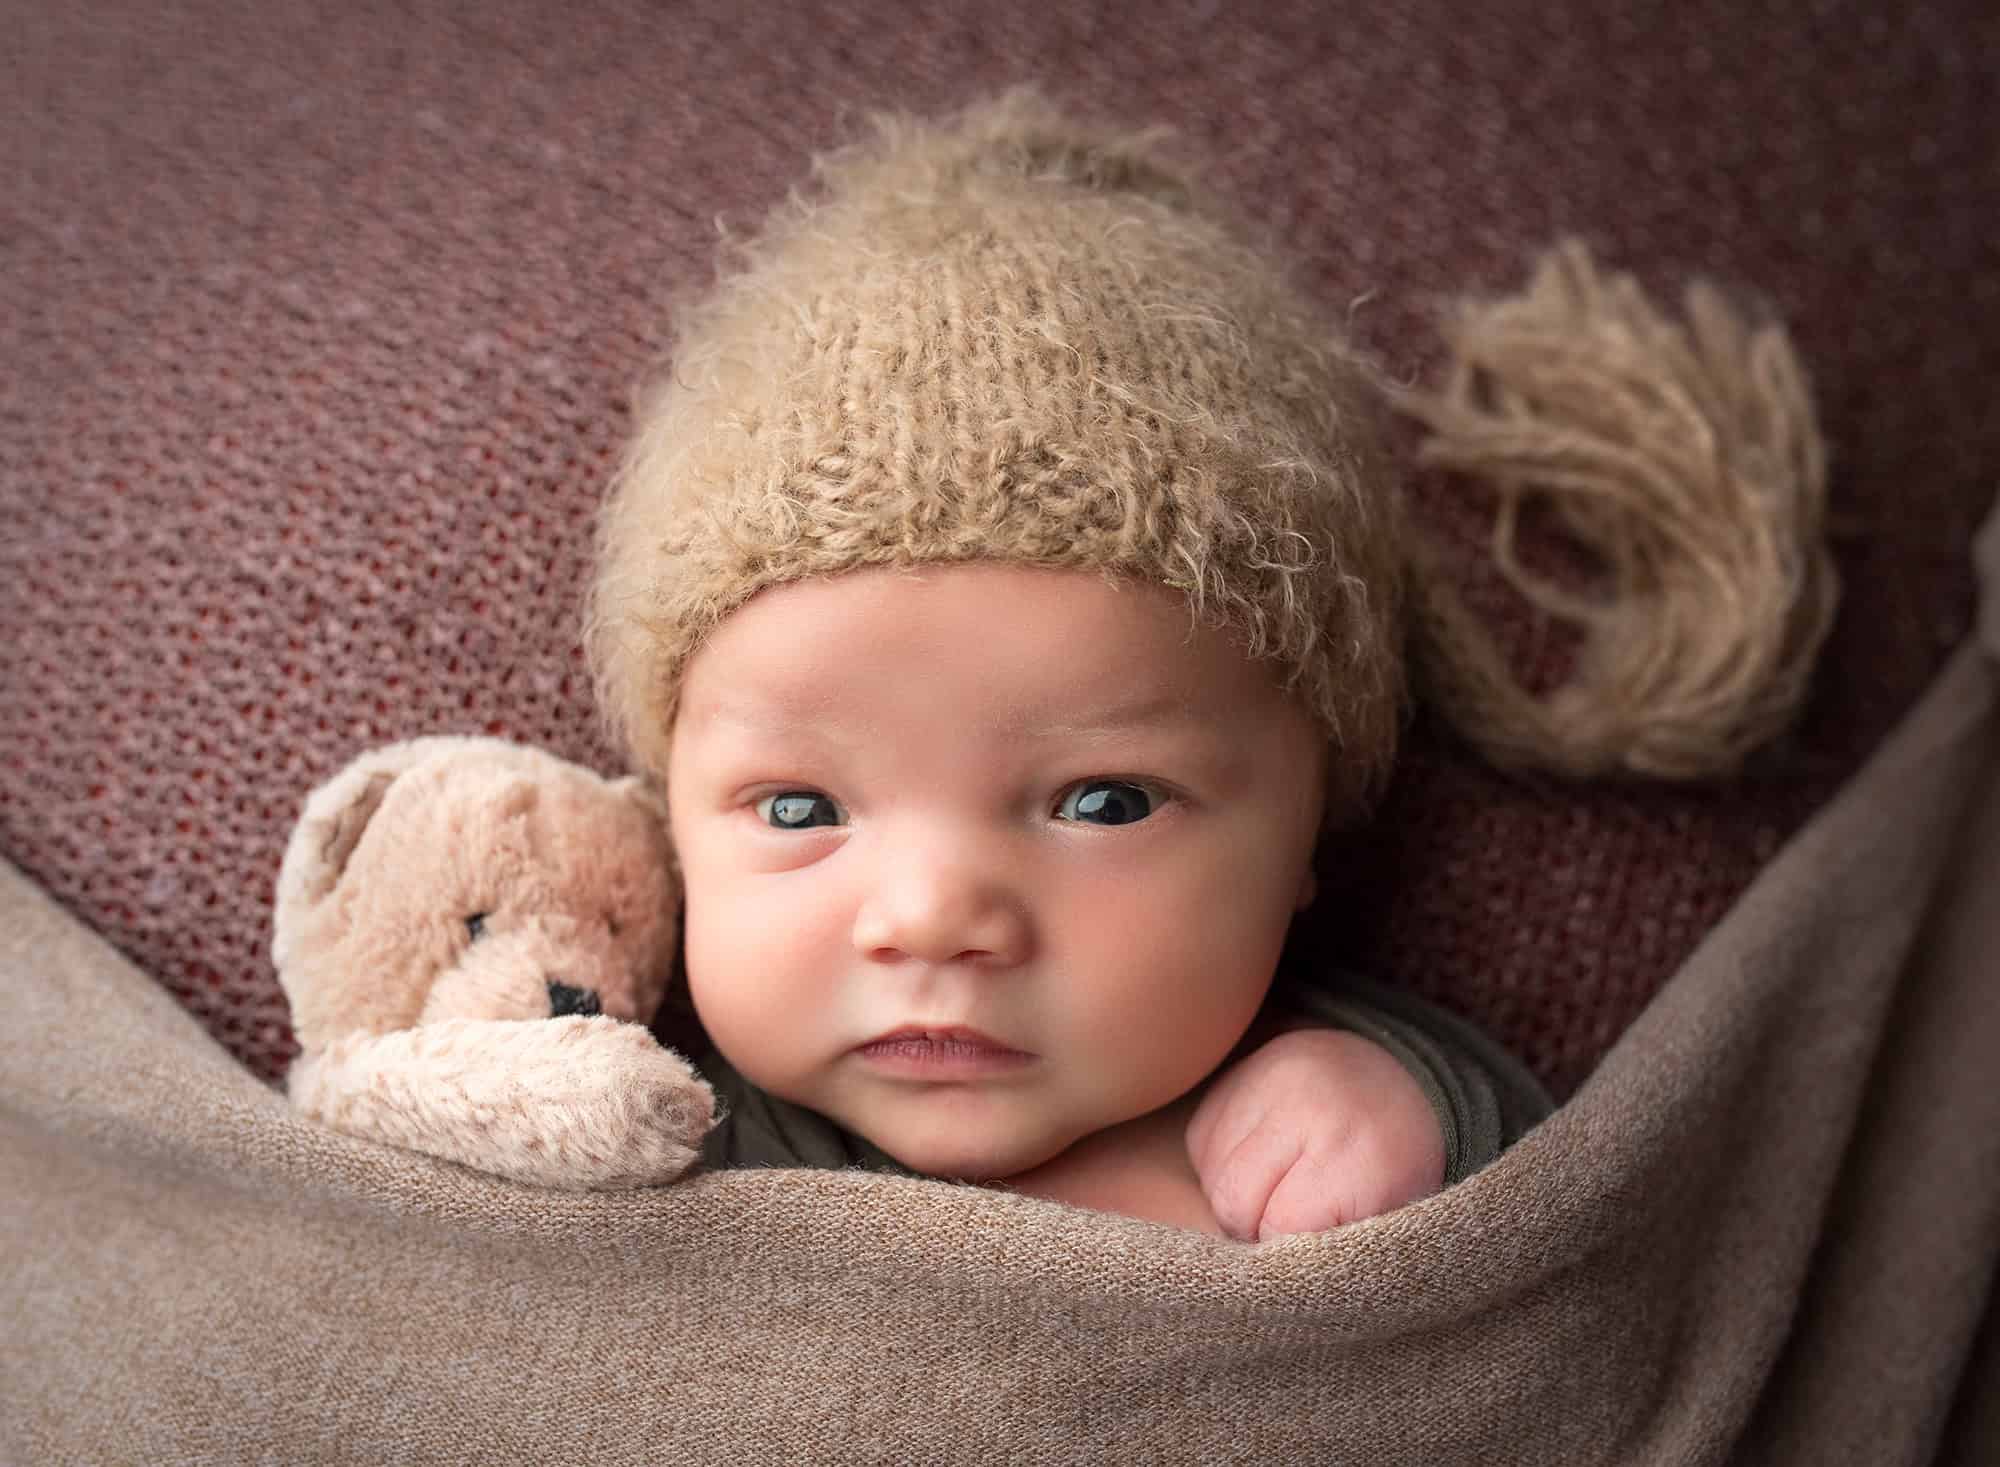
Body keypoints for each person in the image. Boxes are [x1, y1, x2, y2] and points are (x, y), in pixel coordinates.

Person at [589, 89, 1824, 1239]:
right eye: (798, 808)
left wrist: (1418, 1123)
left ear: (1306, 830)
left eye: (1104, 802)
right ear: (672, 822)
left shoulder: (1337, 1115)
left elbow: (1565, 1298)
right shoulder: (641, 1139)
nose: (931, 919)